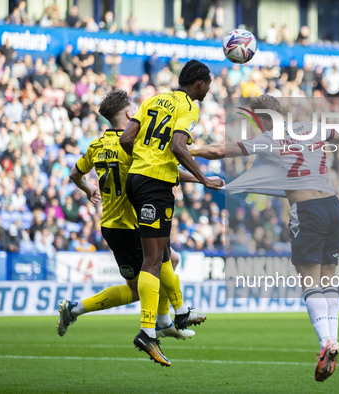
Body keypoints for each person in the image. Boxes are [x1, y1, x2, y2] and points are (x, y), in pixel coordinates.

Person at [191, 94, 339, 382]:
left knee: (310, 282)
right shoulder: (312, 127)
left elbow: (219, 151)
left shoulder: (267, 140)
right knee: (328, 280)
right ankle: (333, 339)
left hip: (307, 210)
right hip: (334, 206)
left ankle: (326, 342)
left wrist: (186, 149)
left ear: (265, 119)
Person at [62, 89, 205, 345]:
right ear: (130, 114)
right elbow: (161, 169)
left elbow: (74, 174)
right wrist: (199, 178)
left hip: (112, 224)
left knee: (169, 260)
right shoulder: (133, 145)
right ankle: (161, 321)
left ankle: (163, 321)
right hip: (131, 226)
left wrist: (88, 190)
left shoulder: (96, 146)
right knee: (150, 277)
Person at [120, 60, 224, 366]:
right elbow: (180, 147)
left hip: (136, 179)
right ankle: (147, 331)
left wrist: (144, 159)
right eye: (208, 85)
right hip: (155, 186)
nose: (208, 90)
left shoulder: (152, 100)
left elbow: (127, 140)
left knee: (164, 253)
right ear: (200, 84)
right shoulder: (189, 106)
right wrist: (204, 179)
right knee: (152, 261)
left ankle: (178, 314)